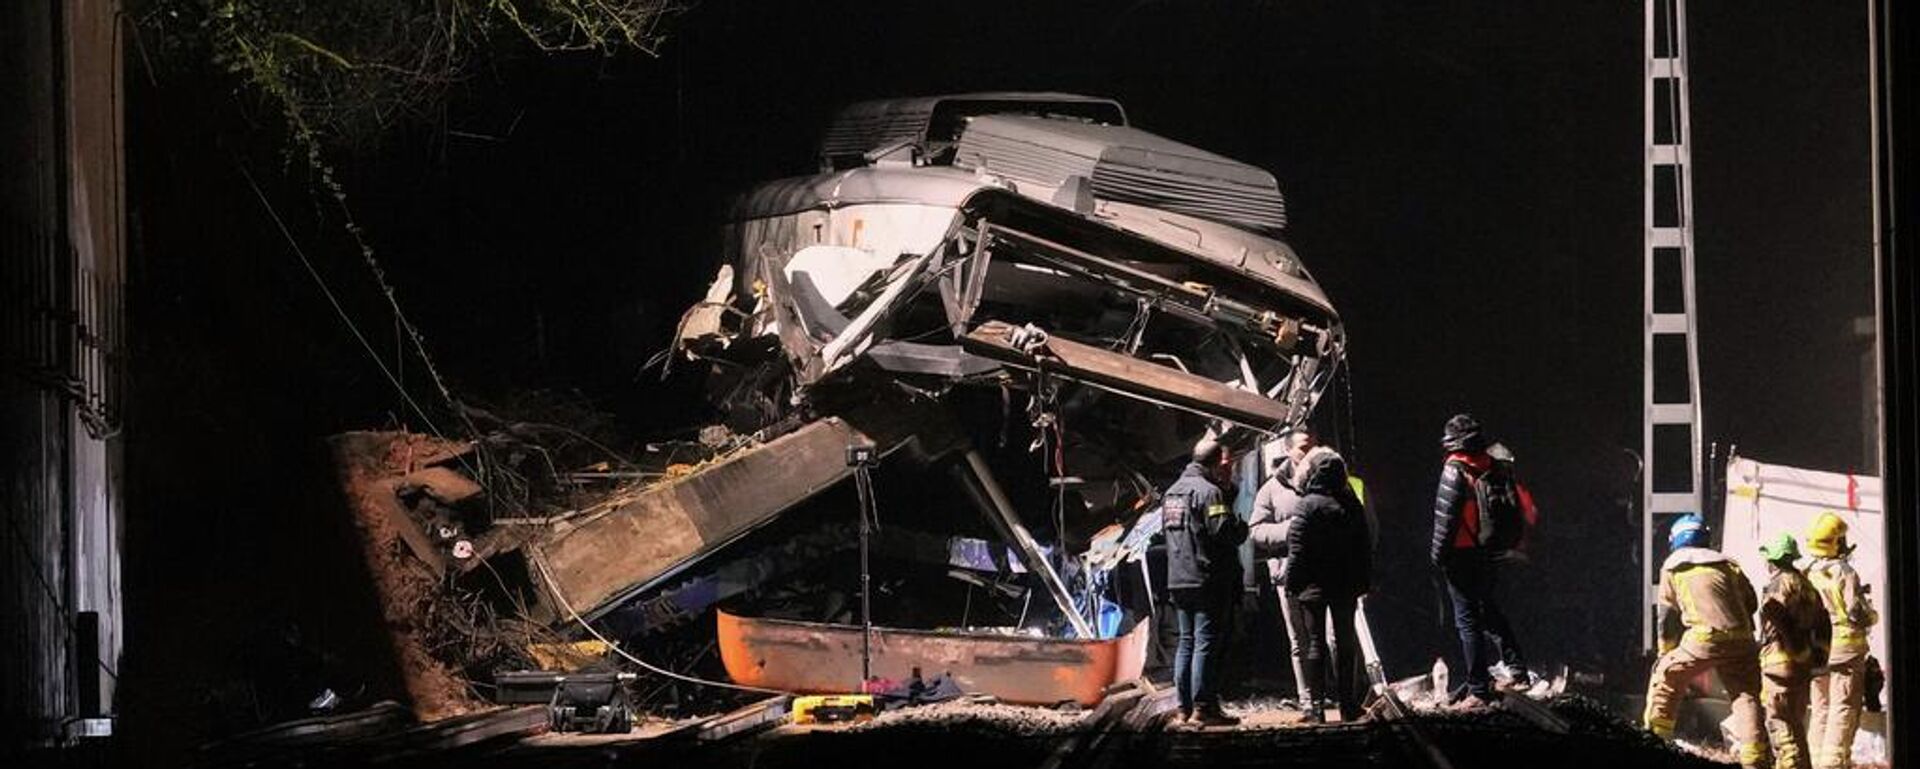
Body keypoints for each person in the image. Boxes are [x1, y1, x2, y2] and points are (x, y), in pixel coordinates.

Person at [1643, 514, 1768, 768]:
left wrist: (1665, 652)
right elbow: (1751, 602)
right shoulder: (1728, 564)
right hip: (1742, 640)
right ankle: (1755, 760)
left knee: (1666, 679)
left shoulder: (1673, 567)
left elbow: (1666, 617)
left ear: (1676, 539)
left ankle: (1654, 743)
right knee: (1746, 696)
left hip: (1703, 639)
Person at [1428, 414, 1531, 706]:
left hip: (1461, 553)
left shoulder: (1454, 469)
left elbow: (1445, 520)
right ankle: (1517, 670)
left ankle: (1478, 688)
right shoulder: (1494, 465)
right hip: (1489, 550)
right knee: (1489, 610)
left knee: (1467, 621)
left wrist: (1438, 557)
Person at [1277, 446, 1372, 722]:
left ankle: (1317, 710)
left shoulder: (1306, 505)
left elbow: (1297, 549)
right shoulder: (1351, 504)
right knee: (1345, 643)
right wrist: (1364, 581)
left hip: (1313, 586)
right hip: (1345, 585)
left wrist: (1291, 582)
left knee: (1314, 644)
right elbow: (1363, 547)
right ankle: (1348, 705)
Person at [1162, 437, 1249, 726]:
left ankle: (1183, 708)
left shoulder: (1172, 493)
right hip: (1206, 578)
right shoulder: (1209, 492)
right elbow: (1222, 532)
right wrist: (1241, 528)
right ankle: (1204, 708)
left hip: (1178, 578)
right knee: (1205, 643)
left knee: (1185, 642)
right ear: (1213, 463)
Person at [1804, 512, 1878, 769]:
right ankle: (1833, 764)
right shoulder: (1844, 572)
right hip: (1845, 650)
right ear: (1836, 542)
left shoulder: (1806, 572)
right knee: (1843, 706)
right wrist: (1873, 615)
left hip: (1816, 649)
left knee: (1820, 707)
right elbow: (1857, 613)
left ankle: (1813, 760)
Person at [1249, 428, 1314, 703]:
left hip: (1322, 571)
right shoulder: (1271, 489)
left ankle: (1338, 694)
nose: (1308, 452)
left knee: (1331, 637)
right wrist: (1290, 529)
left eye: (1312, 446)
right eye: (1302, 447)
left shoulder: (1325, 480)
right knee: (1299, 641)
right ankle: (1308, 698)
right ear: (1288, 450)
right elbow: (1256, 530)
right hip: (1287, 574)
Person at [1757, 532, 1830, 769]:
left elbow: (1773, 612)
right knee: (1795, 724)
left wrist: (1794, 646)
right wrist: (1817, 657)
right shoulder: (1807, 585)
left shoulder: (1778, 584)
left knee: (1779, 721)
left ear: (1773, 559)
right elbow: (1824, 623)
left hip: (1779, 662)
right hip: (1803, 665)